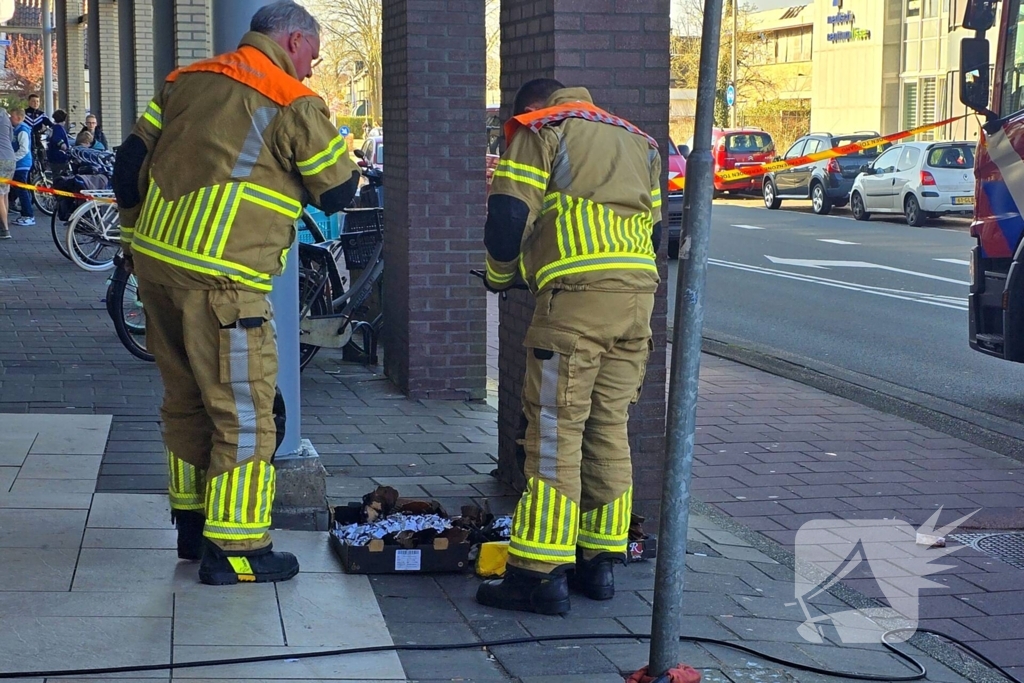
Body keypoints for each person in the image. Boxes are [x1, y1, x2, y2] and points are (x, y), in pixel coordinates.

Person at [112, 0, 359, 586]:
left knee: (187, 401)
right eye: (313, 58)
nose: (311, 71)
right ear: (294, 40)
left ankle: (192, 526)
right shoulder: (291, 100)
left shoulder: (184, 81)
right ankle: (238, 549)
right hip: (225, 286)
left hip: (157, 271)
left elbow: (128, 165)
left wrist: (131, 235)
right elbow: (338, 194)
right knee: (247, 415)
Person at [476, 79, 661, 615]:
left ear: (533, 110)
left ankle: (537, 574)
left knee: (555, 432)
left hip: (577, 302)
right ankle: (598, 562)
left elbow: (508, 217)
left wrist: (498, 276)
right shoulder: (639, 140)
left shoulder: (541, 130)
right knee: (608, 426)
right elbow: (649, 227)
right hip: (636, 302)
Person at [9, 108, 34, 227]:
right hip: (20, 164)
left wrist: (12, 158)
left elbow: (24, 149)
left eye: (12, 116)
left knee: (22, 190)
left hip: (22, 165)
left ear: (18, 118)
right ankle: (24, 213)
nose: (10, 119)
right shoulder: (17, 129)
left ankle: (28, 215)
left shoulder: (22, 130)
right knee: (19, 189)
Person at [0, 108, 17, 240]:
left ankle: (4, 229)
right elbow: (11, 137)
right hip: (10, 158)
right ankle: (5, 226)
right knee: (4, 193)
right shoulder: (5, 115)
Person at [46, 109, 71, 175]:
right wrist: (63, 145)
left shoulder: (53, 128)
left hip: (52, 156)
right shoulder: (58, 128)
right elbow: (57, 139)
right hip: (59, 157)